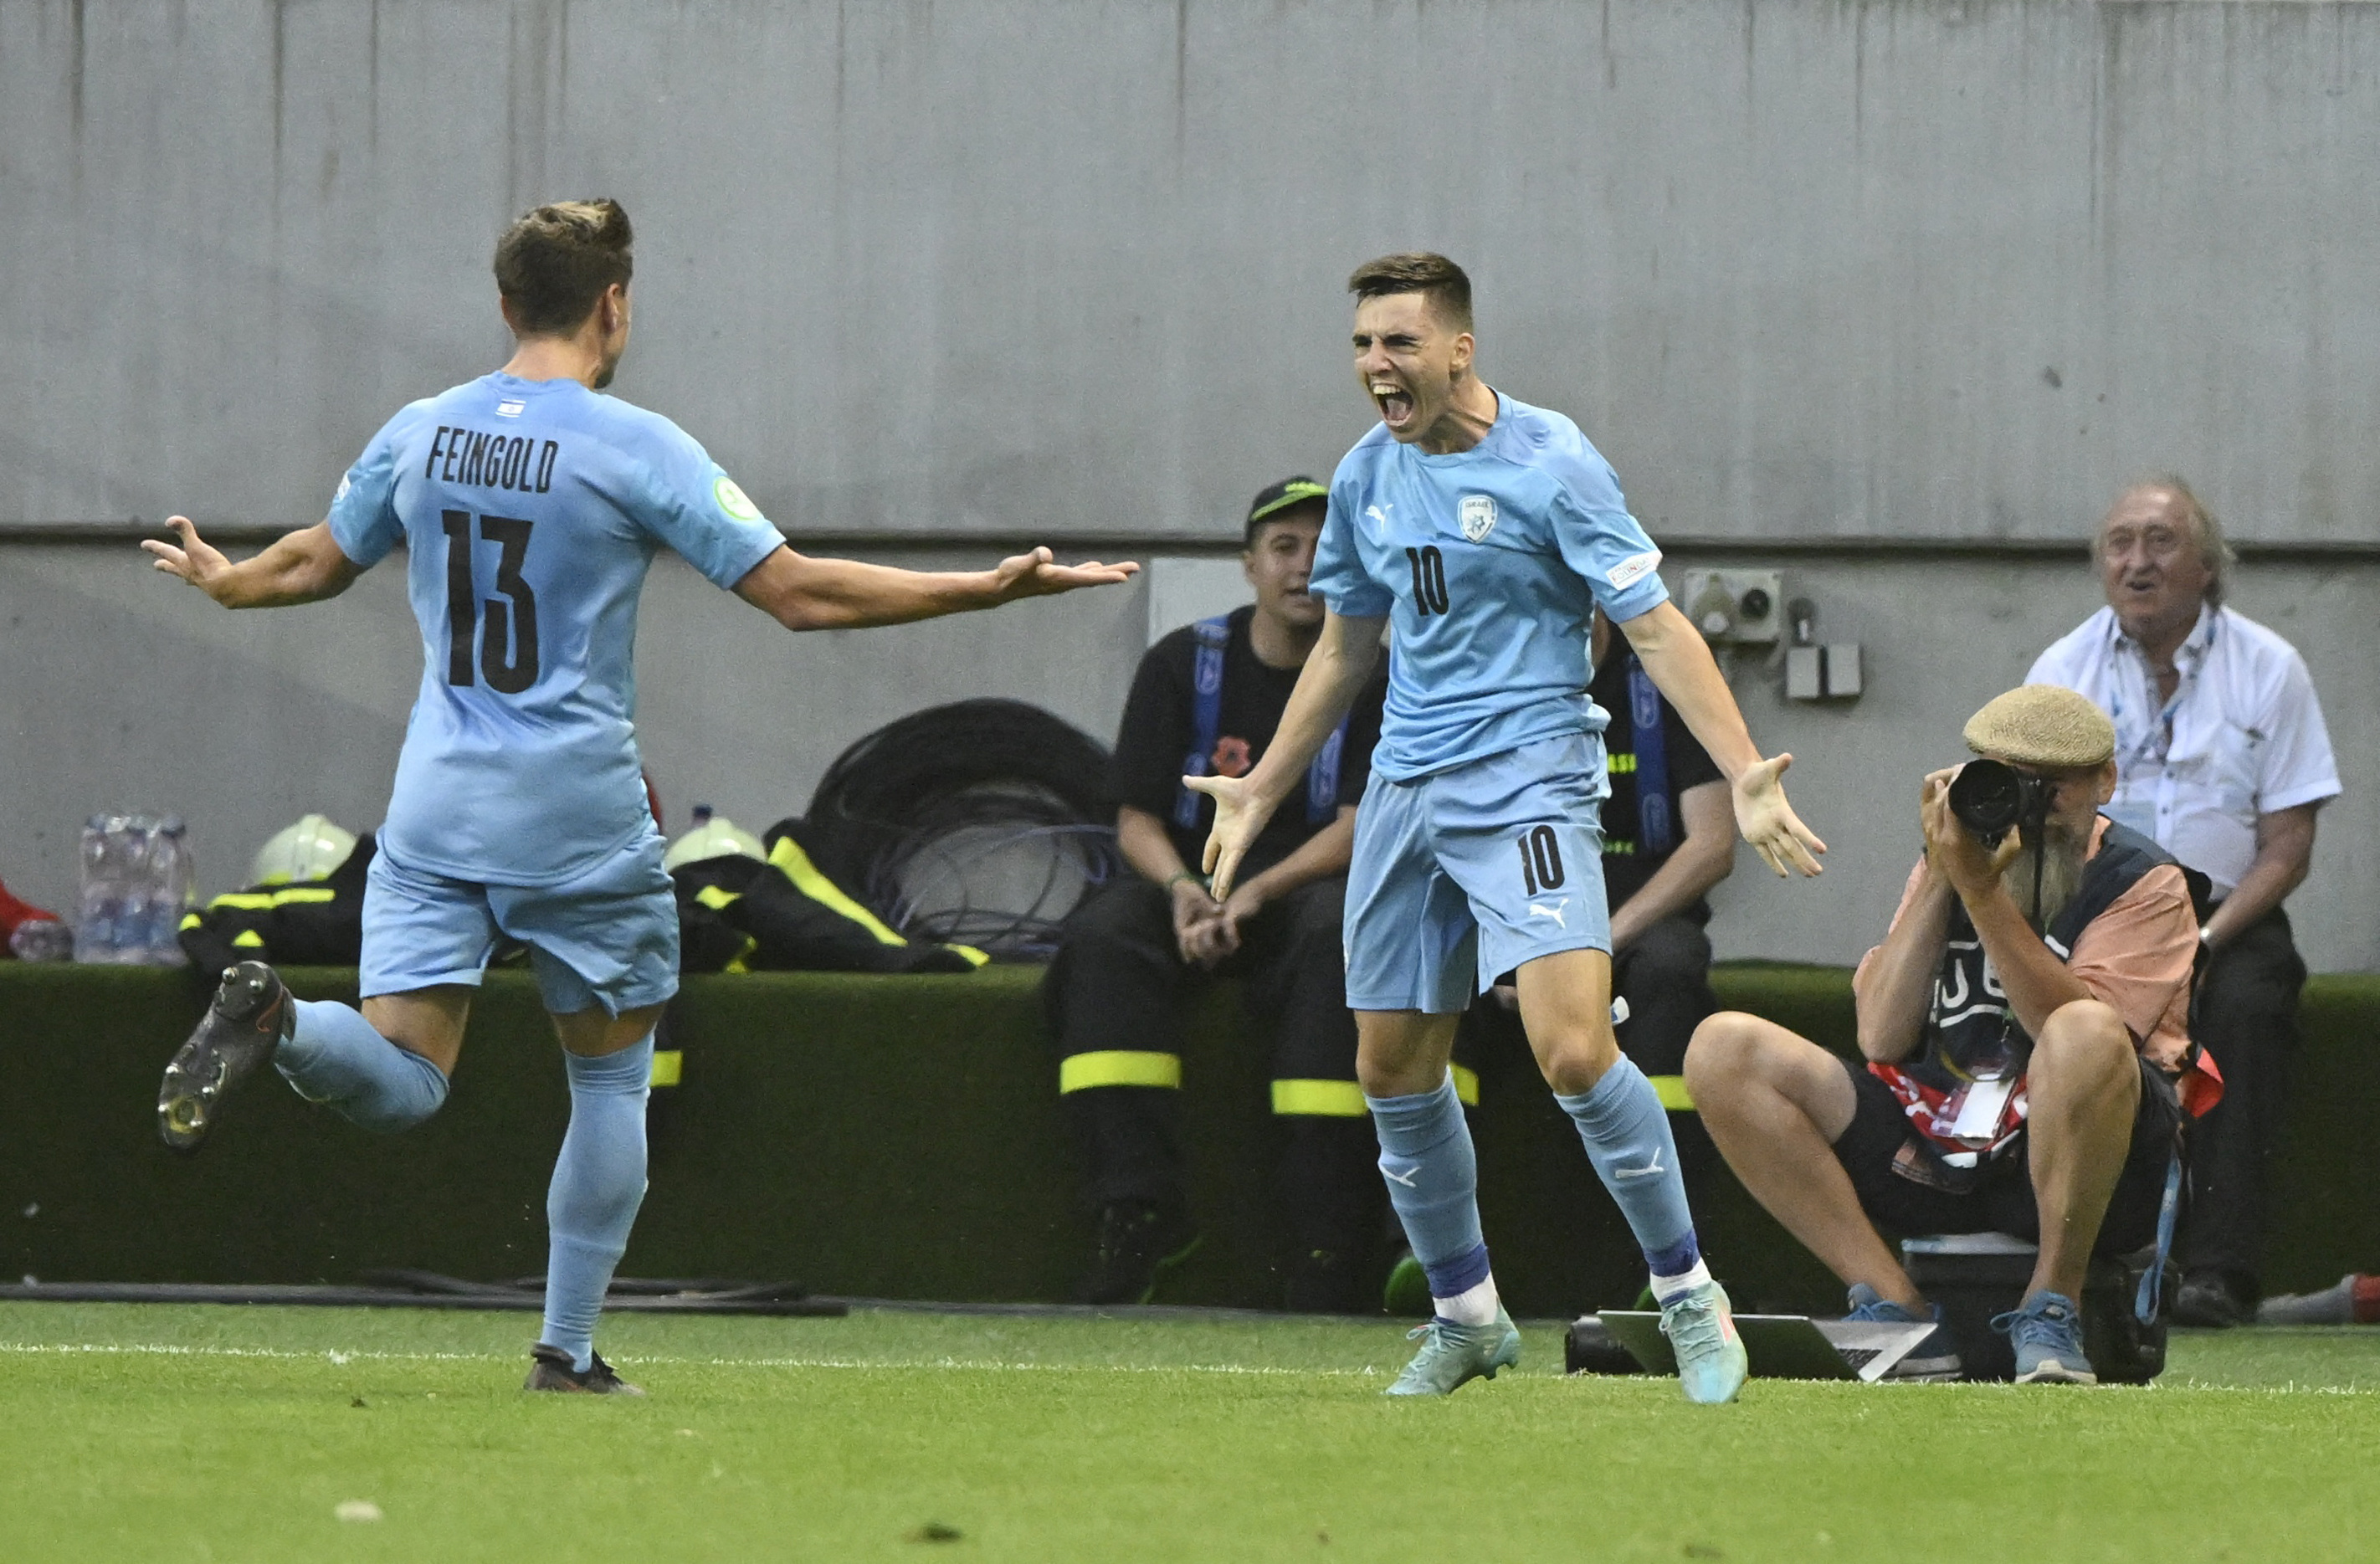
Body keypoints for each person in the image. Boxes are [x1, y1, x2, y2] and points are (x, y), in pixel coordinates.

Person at [143, 199, 1136, 1395]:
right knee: (610, 1076)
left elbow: (313, 557)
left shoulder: (420, 431)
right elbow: (801, 593)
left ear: (505, 304)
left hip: (436, 810)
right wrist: (983, 589)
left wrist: (228, 582)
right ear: (613, 305)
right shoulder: (633, 445)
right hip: (575, 814)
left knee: (405, 1076)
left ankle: (283, 1021)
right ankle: (565, 1348)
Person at [1191, 253, 1825, 1403]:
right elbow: (1344, 646)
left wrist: (1744, 773)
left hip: (1531, 777)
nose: (1376, 366)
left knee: (1575, 1050)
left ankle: (1688, 1294)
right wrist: (1265, 789)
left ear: (1458, 350)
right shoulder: (1364, 475)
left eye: (1398, 343)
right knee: (1389, 1065)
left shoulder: (1551, 459)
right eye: (1361, 346)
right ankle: (1467, 1315)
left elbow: (1657, 625)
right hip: (1404, 789)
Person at [1685, 685, 2215, 1384]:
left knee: (2085, 1028)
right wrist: (1945, 876)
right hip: (1947, 1140)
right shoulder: (1954, 857)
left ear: (2105, 782)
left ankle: (2053, 1305)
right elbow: (1880, 1034)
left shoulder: (2145, 883)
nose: (2031, 804)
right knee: (1723, 1048)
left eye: (2052, 786)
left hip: (2085, 1170)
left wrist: (1984, 896)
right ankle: (1896, 1307)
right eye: (2009, 779)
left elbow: (2075, 1034)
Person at [1044, 477, 1391, 1311]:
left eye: (1324, 549)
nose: (1305, 567)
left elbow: (1364, 825)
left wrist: (1258, 889)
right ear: (1248, 567)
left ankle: (1325, 1235)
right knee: (1101, 938)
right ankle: (1139, 1211)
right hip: (1193, 892)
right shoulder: (1182, 663)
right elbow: (1134, 817)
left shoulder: (1373, 675)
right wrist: (1181, 891)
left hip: (1307, 894)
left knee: (1344, 926)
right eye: (1284, 548)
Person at [2027, 479, 2338, 1327]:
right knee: (2065, 1017)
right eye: (2120, 543)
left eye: (2161, 542)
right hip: (2098, 919)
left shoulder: (2269, 668)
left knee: (2246, 1005)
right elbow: (2037, 825)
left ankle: (2217, 1273)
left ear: (2207, 564)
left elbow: (2288, 846)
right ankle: (2072, 1261)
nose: (2137, 562)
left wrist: (2198, 941)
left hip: (2230, 924)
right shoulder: (2062, 672)